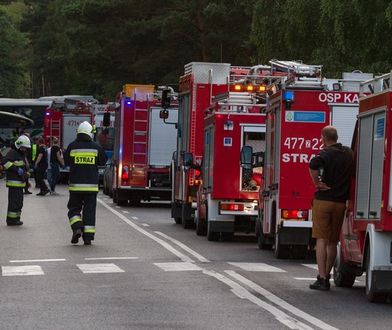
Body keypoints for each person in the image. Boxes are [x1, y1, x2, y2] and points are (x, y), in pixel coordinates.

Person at [308, 126, 354, 291]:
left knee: (321, 239)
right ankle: (327, 274)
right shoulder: (348, 153)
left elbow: (313, 164)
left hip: (324, 200)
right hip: (340, 203)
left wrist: (317, 183)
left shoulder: (325, 153)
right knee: (333, 241)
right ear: (337, 137)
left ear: (323, 138)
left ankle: (321, 278)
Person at [64, 121, 107, 245]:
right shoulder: (96, 147)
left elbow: (66, 162)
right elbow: (103, 161)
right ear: (90, 133)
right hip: (91, 188)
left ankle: (77, 227)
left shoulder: (72, 146)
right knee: (89, 211)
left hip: (75, 186)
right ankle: (87, 237)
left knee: (73, 209)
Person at [2, 135, 31, 226]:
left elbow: (23, 166)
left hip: (20, 183)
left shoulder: (21, 154)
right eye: (23, 148)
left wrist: (26, 177)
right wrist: (16, 169)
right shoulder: (13, 153)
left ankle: (16, 219)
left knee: (19, 203)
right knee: (14, 203)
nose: (25, 149)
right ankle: (11, 220)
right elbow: (5, 163)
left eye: (26, 148)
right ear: (18, 145)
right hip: (14, 183)